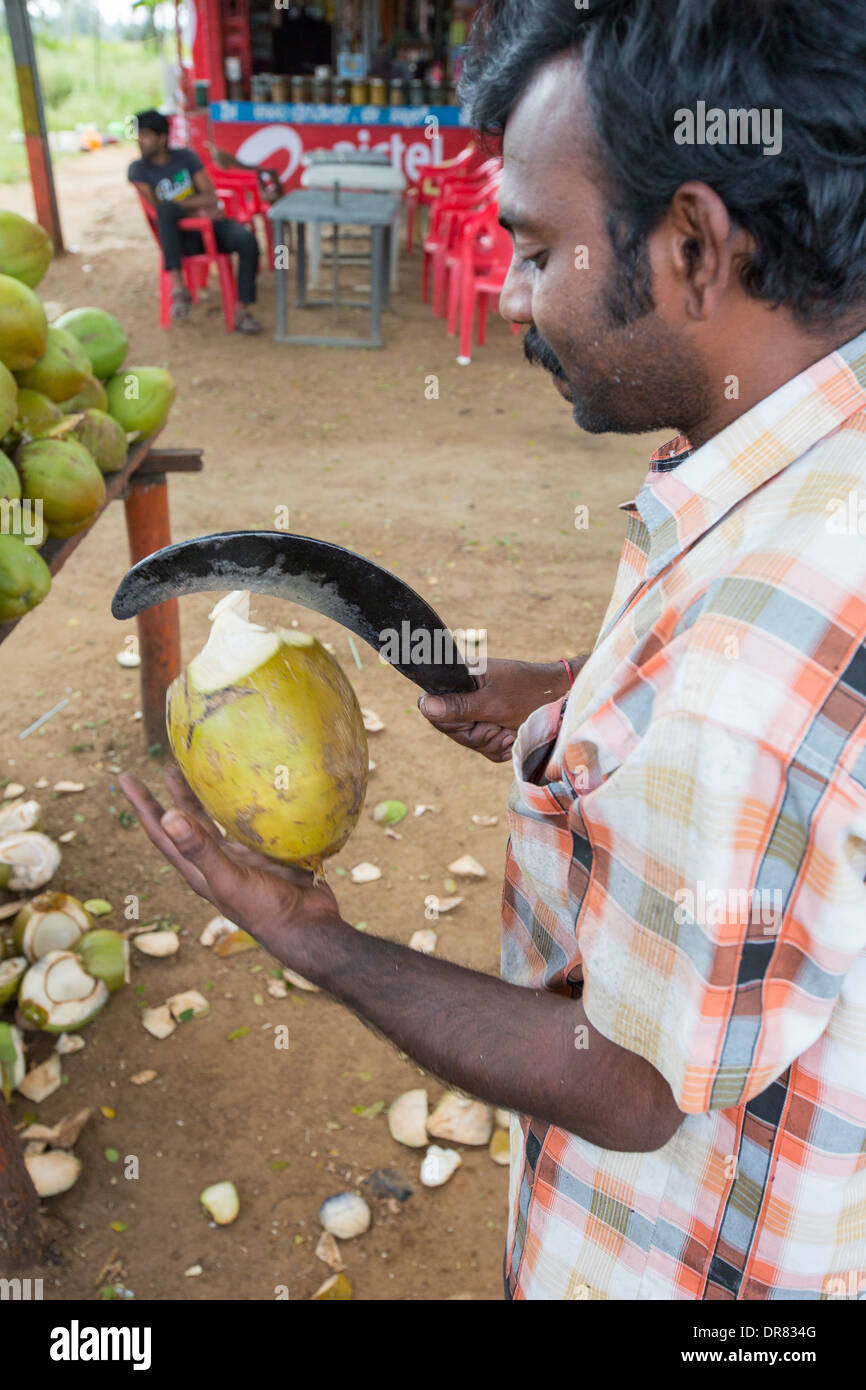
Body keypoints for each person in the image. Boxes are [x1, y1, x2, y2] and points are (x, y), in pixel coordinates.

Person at [120, 0, 866, 1301]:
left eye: (533, 248)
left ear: (691, 244)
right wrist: (582, 693)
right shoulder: (799, 456)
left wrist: (320, 943)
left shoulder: (753, 659)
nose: (513, 296)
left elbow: (628, 1082)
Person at [128, 110, 262, 333]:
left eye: (145, 135)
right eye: (137, 135)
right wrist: (196, 211)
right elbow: (158, 210)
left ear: (162, 138)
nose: (140, 140)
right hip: (180, 238)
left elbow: (211, 196)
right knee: (168, 210)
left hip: (210, 227)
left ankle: (241, 309)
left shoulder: (186, 158)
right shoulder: (138, 169)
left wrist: (193, 209)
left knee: (247, 240)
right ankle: (179, 288)